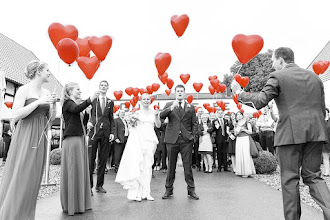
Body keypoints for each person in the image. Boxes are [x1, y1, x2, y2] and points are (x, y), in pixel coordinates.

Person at [231, 47, 330, 220]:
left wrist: (239, 92)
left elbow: (260, 101)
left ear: (281, 60)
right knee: (314, 177)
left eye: (273, 60)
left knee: (290, 180)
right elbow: (322, 110)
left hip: (290, 135)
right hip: (316, 133)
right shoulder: (315, 78)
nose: (272, 63)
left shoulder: (278, 77)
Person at [0, 60, 56, 220]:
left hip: (40, 137)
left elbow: (50, 119)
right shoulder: (24, 90)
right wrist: (39, 102)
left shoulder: (46, 92)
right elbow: (15, 114)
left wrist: (51, 106)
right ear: (38, 71)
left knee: (33, 178)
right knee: (21, 175)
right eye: (47, 70)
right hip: (25, 135)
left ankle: (26, 215)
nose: (49, 73)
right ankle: (12, 215)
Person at [60, 82, 99, 215]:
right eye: (78, 89)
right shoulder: (67, 103)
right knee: (73, 170)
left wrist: (87, 114)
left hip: (79, 138)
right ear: (70, 91)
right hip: (72, 140)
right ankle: (72, 204)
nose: (80, 91)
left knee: (80, 169)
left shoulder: (73, 104)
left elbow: (80, 121)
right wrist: (90, 99)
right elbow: (76, 110)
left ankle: (80, 202)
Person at [115, 93, 161, 201]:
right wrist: (132, 121)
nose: (146, 100)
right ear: (141, 100)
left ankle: (147, 192)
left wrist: (156, 116)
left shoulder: (154, 112)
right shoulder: (136, 113)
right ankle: (136, 193)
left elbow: (158, 125)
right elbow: (132, 126)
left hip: (150, 140)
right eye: (144, 99)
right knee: (139, 164)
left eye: (147, 99)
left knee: (148, 165)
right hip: (139, 140)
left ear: (150, 101)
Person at [160, 84, 199, 200]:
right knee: (171, 166)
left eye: (182, 91)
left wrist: (193, 137)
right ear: (175, 93)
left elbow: (194, 123)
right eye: (178, 91)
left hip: (186, 140)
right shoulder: (169, 105)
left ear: (184, 93)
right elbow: (161, 116)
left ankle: (191, 190)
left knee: (188, 167)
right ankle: (168, 190)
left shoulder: (191, 107)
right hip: (172, 140)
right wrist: (171, 108)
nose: (180, 93)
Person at [87, 80, 115, 194]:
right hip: (94, 132)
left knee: (103, 159)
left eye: (105, 85)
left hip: (106, 133)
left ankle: (99, 185)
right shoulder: (93, 99)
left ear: (108, 88)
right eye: (102, 85)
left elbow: (111, 117)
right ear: (99, 87)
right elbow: (88, 114)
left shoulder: (110, 102)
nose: (103, 87)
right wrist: (88, 123)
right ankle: (89, 186)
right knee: (91, 159)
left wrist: (112, 132)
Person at [234, 111, 256, 177]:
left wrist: (243, 130)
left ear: (242, 115)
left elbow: (250, 131)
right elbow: (235, 133)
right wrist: (237, 132)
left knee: (245, 153)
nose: (239, 116)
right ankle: (240, 171)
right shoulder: (236, 124)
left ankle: (247, 171)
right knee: (239, 153)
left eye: (240, 114)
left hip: (245, 138)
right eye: (237, 115)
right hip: (239, 139)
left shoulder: (247, 122)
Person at [322, 108, 330, 176]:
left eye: (326, 112)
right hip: (325, 142)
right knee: (325, 157)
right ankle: (327, 172)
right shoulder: (320, 122)